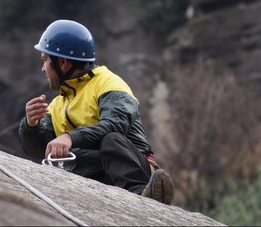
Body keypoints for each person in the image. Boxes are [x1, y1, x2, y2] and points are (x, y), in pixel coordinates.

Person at [18, 19, 174, 205]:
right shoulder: (57, 103)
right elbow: (37, 149)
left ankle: (142, 194)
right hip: (89, 174)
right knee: (58, 160)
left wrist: (70, 137)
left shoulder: (109, 84)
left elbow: (116, 125)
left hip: (128, 168)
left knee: (111, 139)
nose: (43, 68)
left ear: (63, 63)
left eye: (45, 60)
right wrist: (31, 125)